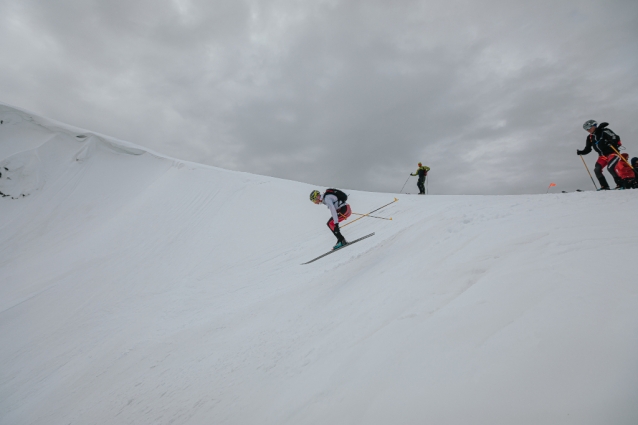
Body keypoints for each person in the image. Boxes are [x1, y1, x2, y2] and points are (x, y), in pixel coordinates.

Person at [577, 120, 623, 190]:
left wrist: (612, 142)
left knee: (610, 168)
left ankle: (621, 184)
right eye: (586, 129)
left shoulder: (604, 131)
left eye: (589, 127)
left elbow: (615, 137)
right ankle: (604, 186)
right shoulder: (590, 137)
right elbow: (588, 149)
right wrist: (581, 152)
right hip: (602, 156)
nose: (588, 130)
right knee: (597, 170)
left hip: (612, 153)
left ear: (594, 126)